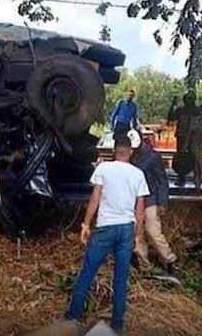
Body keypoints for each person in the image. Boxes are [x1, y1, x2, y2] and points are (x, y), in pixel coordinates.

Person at [64, 135, 148, 332]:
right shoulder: (138, 174)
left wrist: (86, 224)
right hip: (126, 228)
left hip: (105, 228)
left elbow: (95, 198)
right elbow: (140, 209)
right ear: (131, 151)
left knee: (87, 272)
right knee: (121, 278)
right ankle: (117, 325)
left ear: (113, 150)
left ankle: (71, 318)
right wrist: (138, 235)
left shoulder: (103, 169)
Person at [133, 137, 176, 272]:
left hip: (150, 199)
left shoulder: (152, 156)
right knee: (137, 234)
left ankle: (169, 258)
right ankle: (144, 265)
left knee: (153, 232)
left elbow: (162, 179)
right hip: (134, 200)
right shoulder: (129, 156)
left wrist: (162, 201)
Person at [167, 91, 199, 186]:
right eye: (187, 99)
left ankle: (197, 178)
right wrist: (173, 105)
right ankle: (181, 177)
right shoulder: (180, 109)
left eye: (190, 99)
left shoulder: (197, 110)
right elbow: (171, 118)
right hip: (182, 136)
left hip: (194, 137)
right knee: (181, 158)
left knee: (195, 157)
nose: (189, 101)